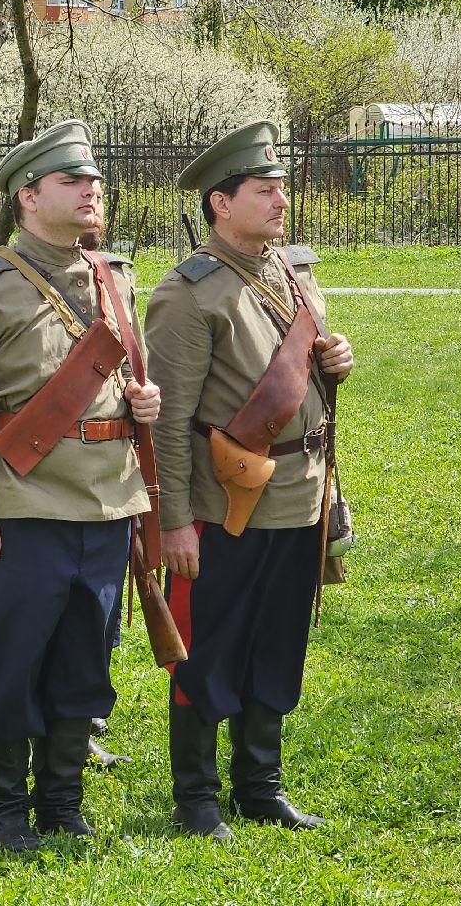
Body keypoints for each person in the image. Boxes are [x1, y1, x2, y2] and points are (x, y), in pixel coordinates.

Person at [0, 120, 161, 852]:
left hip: (107, 502)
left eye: (93, 181)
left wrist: (141, 402)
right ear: (28, 196)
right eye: (72, 181)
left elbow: (127, 377)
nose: (92, 191)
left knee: (84, 665)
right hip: (23, 508)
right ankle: (4, 814)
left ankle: (63, 804)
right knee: (9, 663)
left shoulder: (112, 276)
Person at [145, 120, 354, 841]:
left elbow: (306, 374)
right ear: (219, 204)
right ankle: (197, 798)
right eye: (263, 190)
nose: (280, 201)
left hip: (300, 494)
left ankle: (259, 785)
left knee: (277, 643)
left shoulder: (291, 274)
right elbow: (167, 424)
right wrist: (173, 522)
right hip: (221, 506)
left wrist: (338, 362)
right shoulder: (187, 294)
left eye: (282, 189)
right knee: (208, 650)